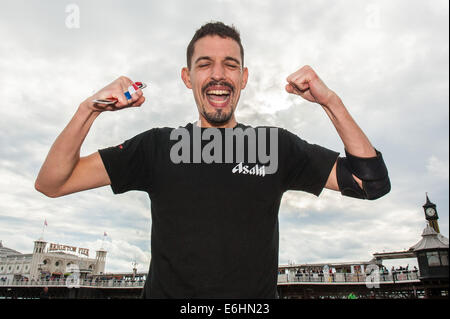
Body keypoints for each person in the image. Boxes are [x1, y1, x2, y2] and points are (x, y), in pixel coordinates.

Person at [35, 22, 390, 298]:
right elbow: (53, 182)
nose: (218, 74)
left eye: (230, 65)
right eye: (205, 65)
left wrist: (331, 102)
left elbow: (371, 183)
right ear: (187, 78)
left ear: (243, 78)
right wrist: (89, 109)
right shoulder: (157, 146)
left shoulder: (273, 146)